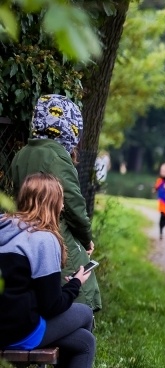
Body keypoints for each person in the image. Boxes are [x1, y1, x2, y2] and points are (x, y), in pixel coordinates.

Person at [0, 173, 99, 368]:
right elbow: (51, 306)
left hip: (5, 321)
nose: (63, 206)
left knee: (84, 341)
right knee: (85, 314)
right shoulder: (43, 239)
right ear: (51, 202)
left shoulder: (4, 226)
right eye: (61, 200)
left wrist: (60, 289)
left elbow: (20, 286)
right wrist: (75, 284)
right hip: (18, 330)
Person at [11, 94, 101, 311]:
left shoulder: (22, 154)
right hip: (58, 234)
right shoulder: (57, 157)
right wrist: (86, 238)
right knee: (79, 296)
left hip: (27, 232)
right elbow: (73, 205)